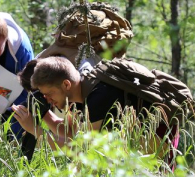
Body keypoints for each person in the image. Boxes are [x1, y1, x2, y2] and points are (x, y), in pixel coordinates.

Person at [12, 57, 179, 157]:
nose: (47, 99)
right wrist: (44, 114)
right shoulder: (78, 93)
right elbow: (70, 132)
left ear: (66, 84)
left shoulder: (98, 97)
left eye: (50, 94)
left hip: (158, 133)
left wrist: (36, 131)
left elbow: (79, 150)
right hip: (136, 136)